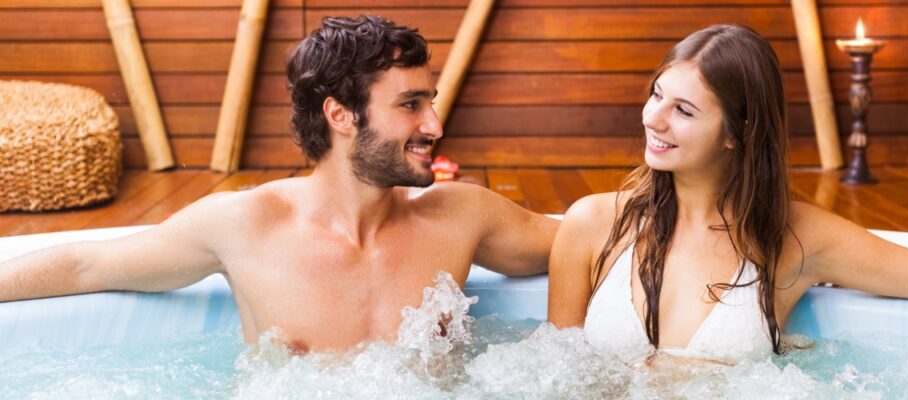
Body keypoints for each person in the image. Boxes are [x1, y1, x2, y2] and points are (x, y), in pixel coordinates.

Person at [0, 15, 558, 354]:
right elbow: (85, 265)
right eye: (411, 105)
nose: (434, 126)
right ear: (341, 116)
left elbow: (580, 240)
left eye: (428, 103)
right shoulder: (246, 225)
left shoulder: (460, 218)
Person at [547, 24, 908, 364]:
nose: (654, 118)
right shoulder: (594, 224)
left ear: (737, 132)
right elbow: (550, 376)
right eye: (656, 94)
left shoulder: (793, 238)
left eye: (684, 110)